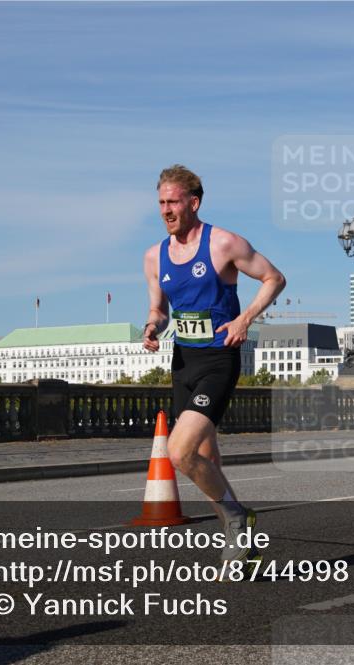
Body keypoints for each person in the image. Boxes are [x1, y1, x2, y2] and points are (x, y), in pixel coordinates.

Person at [142, 165, 286, 563]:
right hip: (182, 361)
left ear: (193, 202)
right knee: (206, 457)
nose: (166, 210)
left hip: (219, 359)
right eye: (161, 203)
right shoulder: (154, 256)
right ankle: (241, 538)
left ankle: (238, 521)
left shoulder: (223, 243)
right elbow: (160, 307)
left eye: (173, 202)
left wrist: (245, 318)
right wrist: (153, 325)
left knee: (180, 452)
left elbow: (274, 278)